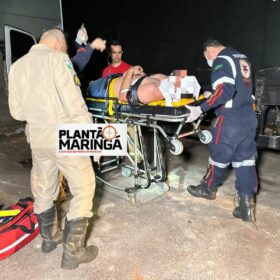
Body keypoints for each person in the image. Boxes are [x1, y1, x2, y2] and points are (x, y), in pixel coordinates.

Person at [8, 28, 105, 270]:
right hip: (65, 137)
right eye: (65, 48)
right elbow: (75, 103)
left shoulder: (17, 66)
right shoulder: (58, 59)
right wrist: (92, 141)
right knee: (84, 187)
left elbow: (16, 112)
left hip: (38, 139)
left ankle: (49, 240)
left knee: (44, 187)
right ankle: (73, 252)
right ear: (58, 44)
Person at [185, 38, 258, 222]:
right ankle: (246, 207)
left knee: (218, 154)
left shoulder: (221, 59)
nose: (208, 61)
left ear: (210, 50)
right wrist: (214, 94)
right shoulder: (242, 57)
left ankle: (208, 188)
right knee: (245, 162)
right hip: (248, 118)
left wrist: (201, 108)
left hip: (230, 119)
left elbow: (225, 90)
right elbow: (240, 88)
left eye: (206, 57)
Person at [88, 65, 169, 104]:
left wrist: (130, 72)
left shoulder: (153, 89)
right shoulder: (163, 79)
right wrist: (136, 73)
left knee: (84, 90)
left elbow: (123, 96)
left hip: (104, 89)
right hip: (113, 78)